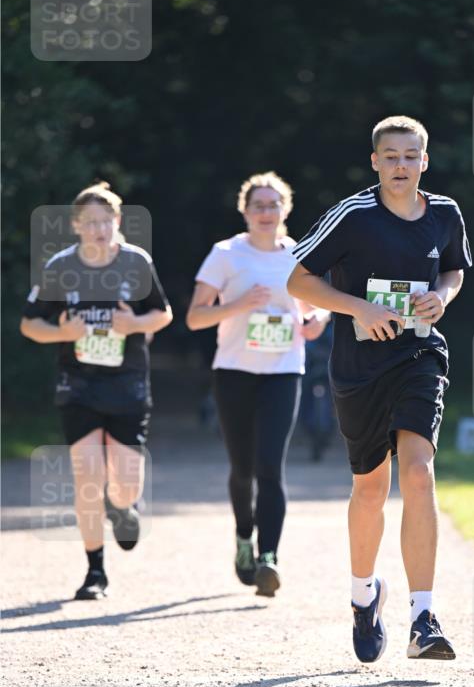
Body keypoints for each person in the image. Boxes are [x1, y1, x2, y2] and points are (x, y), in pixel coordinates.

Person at [287, 116, 472, 662]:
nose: (401, 166)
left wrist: (442, 297)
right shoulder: (353, 214)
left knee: (418, 472)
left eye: (410, 156)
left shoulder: (444, 213)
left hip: (419, 355)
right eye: (390, 156)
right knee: (370, 488)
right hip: (359, 365)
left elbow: (455, 271)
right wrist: (358, 308)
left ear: (425, 161)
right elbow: (298, 279)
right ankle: (364, 595)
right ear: (375, 161)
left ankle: (423, 617)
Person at [20, 181, 172, 600]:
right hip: (79, 384)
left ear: (118, 222)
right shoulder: (61, 266)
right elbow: (29, 324)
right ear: (75, 226)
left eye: (106, 221)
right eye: (90, 223)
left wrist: (135, 325)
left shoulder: (136, 262)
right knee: (86, 474)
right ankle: (95, 572)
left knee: (125, 485)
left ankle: (121, 506)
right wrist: (61, 332)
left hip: (127, 384)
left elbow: (162, 313)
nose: (99, 230)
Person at [186, 172, 328, 597]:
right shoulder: (226, 254)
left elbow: (318, 310)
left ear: (286, 209)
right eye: (258, 206)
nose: (266, 213)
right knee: (242, 468)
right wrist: (238, 305)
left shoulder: (299, 254)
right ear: (245, 211)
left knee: (270, 465)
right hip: (233, 371)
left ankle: (269, 557)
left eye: (273, 205)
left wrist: (315, 320)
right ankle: (244, 537)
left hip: (283, 372)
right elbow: (195, 316)